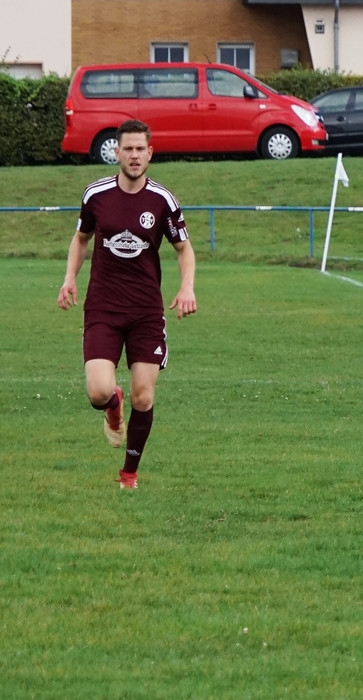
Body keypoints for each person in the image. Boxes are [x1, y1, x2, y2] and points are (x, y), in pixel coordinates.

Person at [57, 119, 197, 490]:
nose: (134, 156)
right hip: (103, 307)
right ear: (116, 152)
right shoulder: (96, 195)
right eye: (128, 149)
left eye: (140, 149)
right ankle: (113, 406)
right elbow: (81, 239)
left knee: (144, 396)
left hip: (146, 311)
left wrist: (187, 287)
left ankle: (128, 475)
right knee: (98, 392)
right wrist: (69, 278)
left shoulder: (162, 200)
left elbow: (184, 249)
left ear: (150, 153)